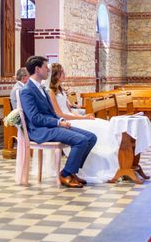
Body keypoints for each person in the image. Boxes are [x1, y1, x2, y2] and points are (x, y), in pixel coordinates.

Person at [19, 56, 96, 188]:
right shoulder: (27, 91)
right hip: (40, 130)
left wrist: (60, 120)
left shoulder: (42, 88)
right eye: (45, 67)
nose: (48, 70)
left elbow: (52, 112)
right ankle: (66, 173)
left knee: (91, 137)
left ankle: (71, 171)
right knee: (81, 140)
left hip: (52, 126)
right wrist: (57, 123)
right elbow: (35, 118)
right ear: (37, 69)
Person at [48, 63, 120, 184]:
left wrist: (82, 116)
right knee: (97, 128)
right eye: (62, 72)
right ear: (55, 75)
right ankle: (74, 170)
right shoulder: (50, 92)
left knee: (104, 124)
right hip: (65, 121)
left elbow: (70, 111)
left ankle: (75, 170)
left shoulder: (61, 90)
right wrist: (81, 119)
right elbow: (59, 114)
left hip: (72, 118)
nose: (64, 74)